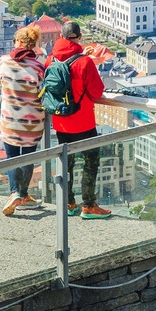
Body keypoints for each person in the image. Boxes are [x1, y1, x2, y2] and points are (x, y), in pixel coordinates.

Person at [48, 20, 109, 219]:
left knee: (66, 164)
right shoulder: (85, 62)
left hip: (60, 121)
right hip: (83, 122)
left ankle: (68, 203)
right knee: (91, 161)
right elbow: (97, 91)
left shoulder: (51, 60)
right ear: (79, 37)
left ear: (61, 37)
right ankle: (89, 205)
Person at [0, 24, 47, 217]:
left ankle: (14, 193)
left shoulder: (2, 62)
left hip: (9, 119)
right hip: (32, 121)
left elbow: (1, 82)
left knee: (12, 158)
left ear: (17, 42)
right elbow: (42, 93)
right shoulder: (38, 68)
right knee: (28, 158)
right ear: (33, 46)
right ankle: (23, 195)